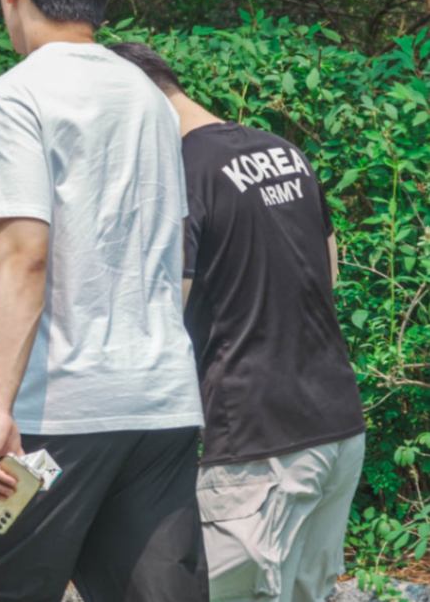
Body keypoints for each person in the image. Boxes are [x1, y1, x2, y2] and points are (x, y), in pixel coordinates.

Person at [0, 0, 206, 602]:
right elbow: (171, 250)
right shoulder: (147, 97)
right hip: (161, 408)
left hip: (57, 423)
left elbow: (23, 254)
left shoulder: (14, 96)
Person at [107, 42, 366, 602]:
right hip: (338, 427)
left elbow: (159, 315)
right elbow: (330, 274)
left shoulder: (179, 174)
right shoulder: (283, 150)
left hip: (257, 447)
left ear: (137, 100)